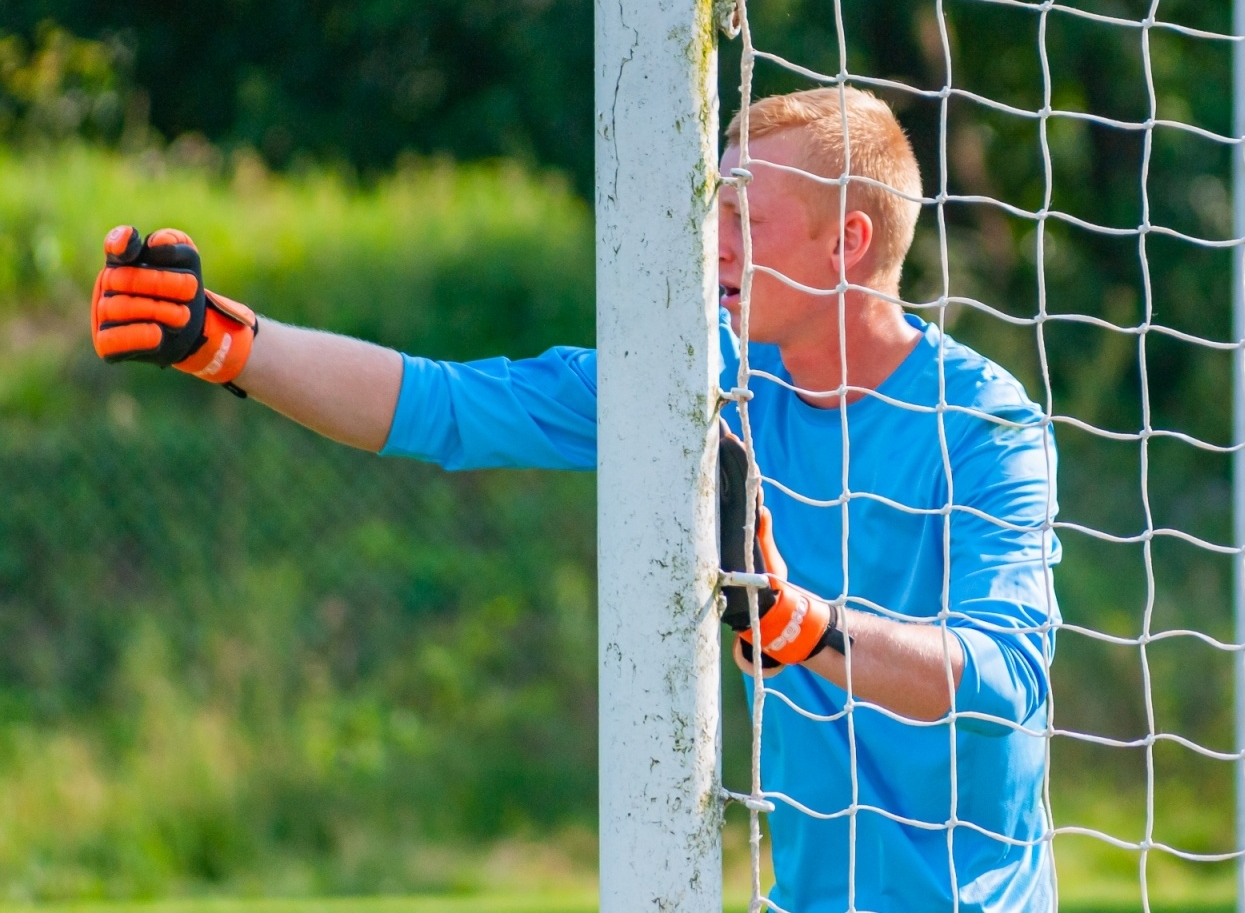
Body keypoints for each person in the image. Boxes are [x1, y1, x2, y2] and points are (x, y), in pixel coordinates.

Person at [90, 85, 1063, 911]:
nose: (710, 242)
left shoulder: (983, 427)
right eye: (709, 209)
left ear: (847, 241)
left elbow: (1003, 673)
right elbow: (444, 404)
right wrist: (226, 344)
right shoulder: (705, 381)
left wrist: (800, 624)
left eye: (742, 218)